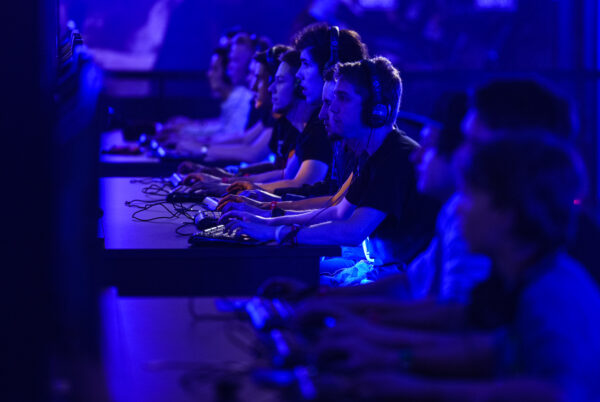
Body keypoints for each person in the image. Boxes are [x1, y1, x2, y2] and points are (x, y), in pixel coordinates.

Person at [308, 134, 600, 401]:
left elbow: (558, 393)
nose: (460, 207)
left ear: (507, 214)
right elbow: (488, 352)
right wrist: (383, 354)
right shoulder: (519, 278)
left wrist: (416, 388)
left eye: (471, 196)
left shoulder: (550, 294)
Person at [222, 57, 438, 275]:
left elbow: (353, 232)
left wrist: (278, 232)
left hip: (408, 284)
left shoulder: (397, 157)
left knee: (290, 280)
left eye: (342, 98)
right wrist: (268, 222)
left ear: (376, 111)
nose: (329, 111)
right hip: (386, 270)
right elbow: (338, 212)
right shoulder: (372, 155)